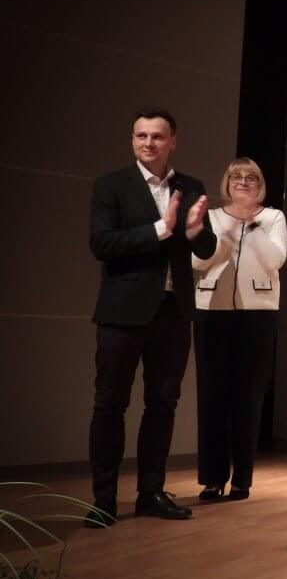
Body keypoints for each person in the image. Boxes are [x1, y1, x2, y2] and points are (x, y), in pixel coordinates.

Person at [85, 108, 216, 526]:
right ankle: (103, 500)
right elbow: (102, 243)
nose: (148, 143)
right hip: (123, 311)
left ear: (172, 141)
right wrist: (160, 229)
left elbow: (207, 247)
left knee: (163, 404)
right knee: (110, 404)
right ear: (132, 140)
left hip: (172, 312)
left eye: (157, 136)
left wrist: (194, 231)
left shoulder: (191, 186)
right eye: (140, 135)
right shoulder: (112, 186)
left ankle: (151, 492)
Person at [191, 157, 287, 502]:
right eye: (236, 177)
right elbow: (198, 261)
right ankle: (213, 478)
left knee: (249, 396)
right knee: (212, 394)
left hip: (257, 313)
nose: (243, 182)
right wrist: (226, 238)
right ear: (226, 182)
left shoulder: (273, 217)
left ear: (260, 184)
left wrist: (252, 224)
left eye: (251, 177)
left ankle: (242, 478)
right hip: (211, 310)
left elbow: (274, 260)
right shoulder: (213, 217)